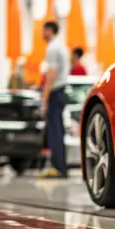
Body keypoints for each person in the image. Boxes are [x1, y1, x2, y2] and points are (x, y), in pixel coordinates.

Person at [39, 21, 69, 179]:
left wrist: (44, 98)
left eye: (43, 30)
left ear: (49, 30)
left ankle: (58, 167)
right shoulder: (62, 46)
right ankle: (60, 166)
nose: (41, 34)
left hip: (55, 92)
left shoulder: (52, 48)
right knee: (58, 130)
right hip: (61, 91)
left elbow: (51, 74)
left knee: (54, 131)